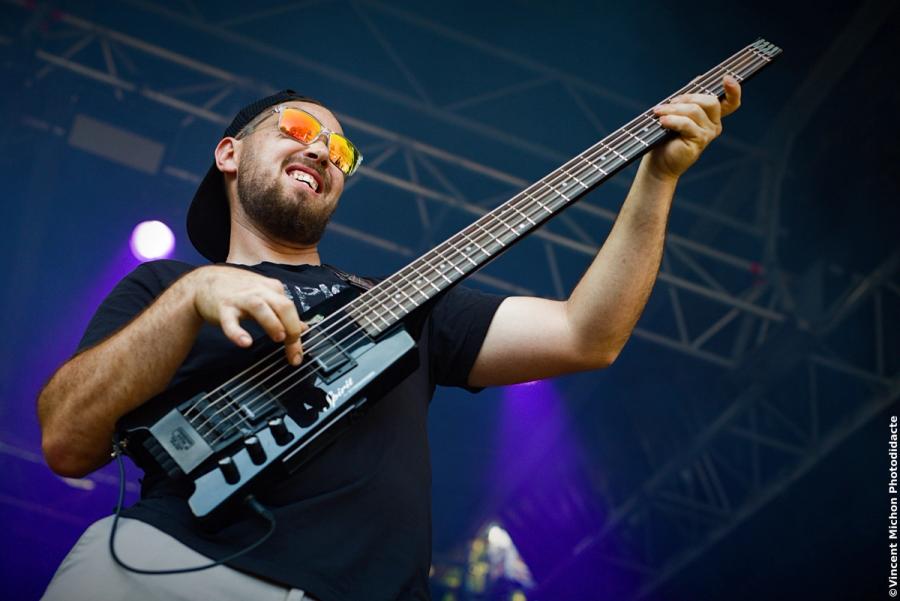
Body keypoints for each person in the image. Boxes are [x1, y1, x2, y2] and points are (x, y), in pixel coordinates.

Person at [37, 79, 742, 601]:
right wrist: (193, 296)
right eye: (297, 127)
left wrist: (658, 178)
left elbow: (587, 335)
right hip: (160, 569)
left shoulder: (407, 303)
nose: (322, 149)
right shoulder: (166, 285)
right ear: (229, 152)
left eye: (341, 150)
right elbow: (67, 439)